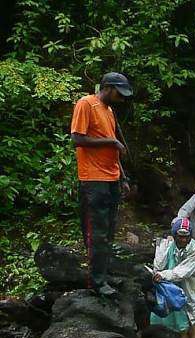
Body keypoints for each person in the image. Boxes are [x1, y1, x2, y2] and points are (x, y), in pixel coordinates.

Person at [70, 72, 133, 297]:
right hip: (93, 180)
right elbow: (77, 138)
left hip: (111, 179)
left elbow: (113, 151)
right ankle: (96, 282)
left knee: (108, 230)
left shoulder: (109, 111)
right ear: (107, 87)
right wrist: (113, 141)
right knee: (95, 231)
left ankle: (105, 274)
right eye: (119, 93)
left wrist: (123, 178)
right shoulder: (86, 104)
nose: (122, 98)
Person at [151, 217, 195, 338]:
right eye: (180, 236)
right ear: (175, 235)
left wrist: (162, 275)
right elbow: (158, 265)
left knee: (194, 324)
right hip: (173, 292)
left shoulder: (194, 251)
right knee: (177, 326)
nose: (183, 240)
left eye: (186, 237)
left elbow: (182, 272)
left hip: (191, 291)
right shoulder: (169, 247)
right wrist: (163, 249)